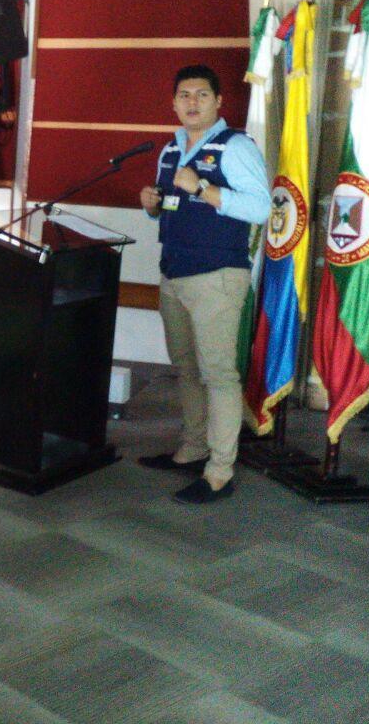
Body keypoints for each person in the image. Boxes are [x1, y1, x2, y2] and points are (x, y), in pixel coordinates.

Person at [137, 64, 272, 506]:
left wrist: (202, 189)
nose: (192, 102)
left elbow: (260, 208)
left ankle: (219, 471)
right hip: (175, 274)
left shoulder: (235, 147)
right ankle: (193, 448)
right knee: (186, 368)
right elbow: (171, 208)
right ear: (174, 103)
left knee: (218, 374)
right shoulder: (170, 149)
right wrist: (152, 206)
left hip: (217, 276)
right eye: (184, 95)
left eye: (201, 95)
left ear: (218, 101)